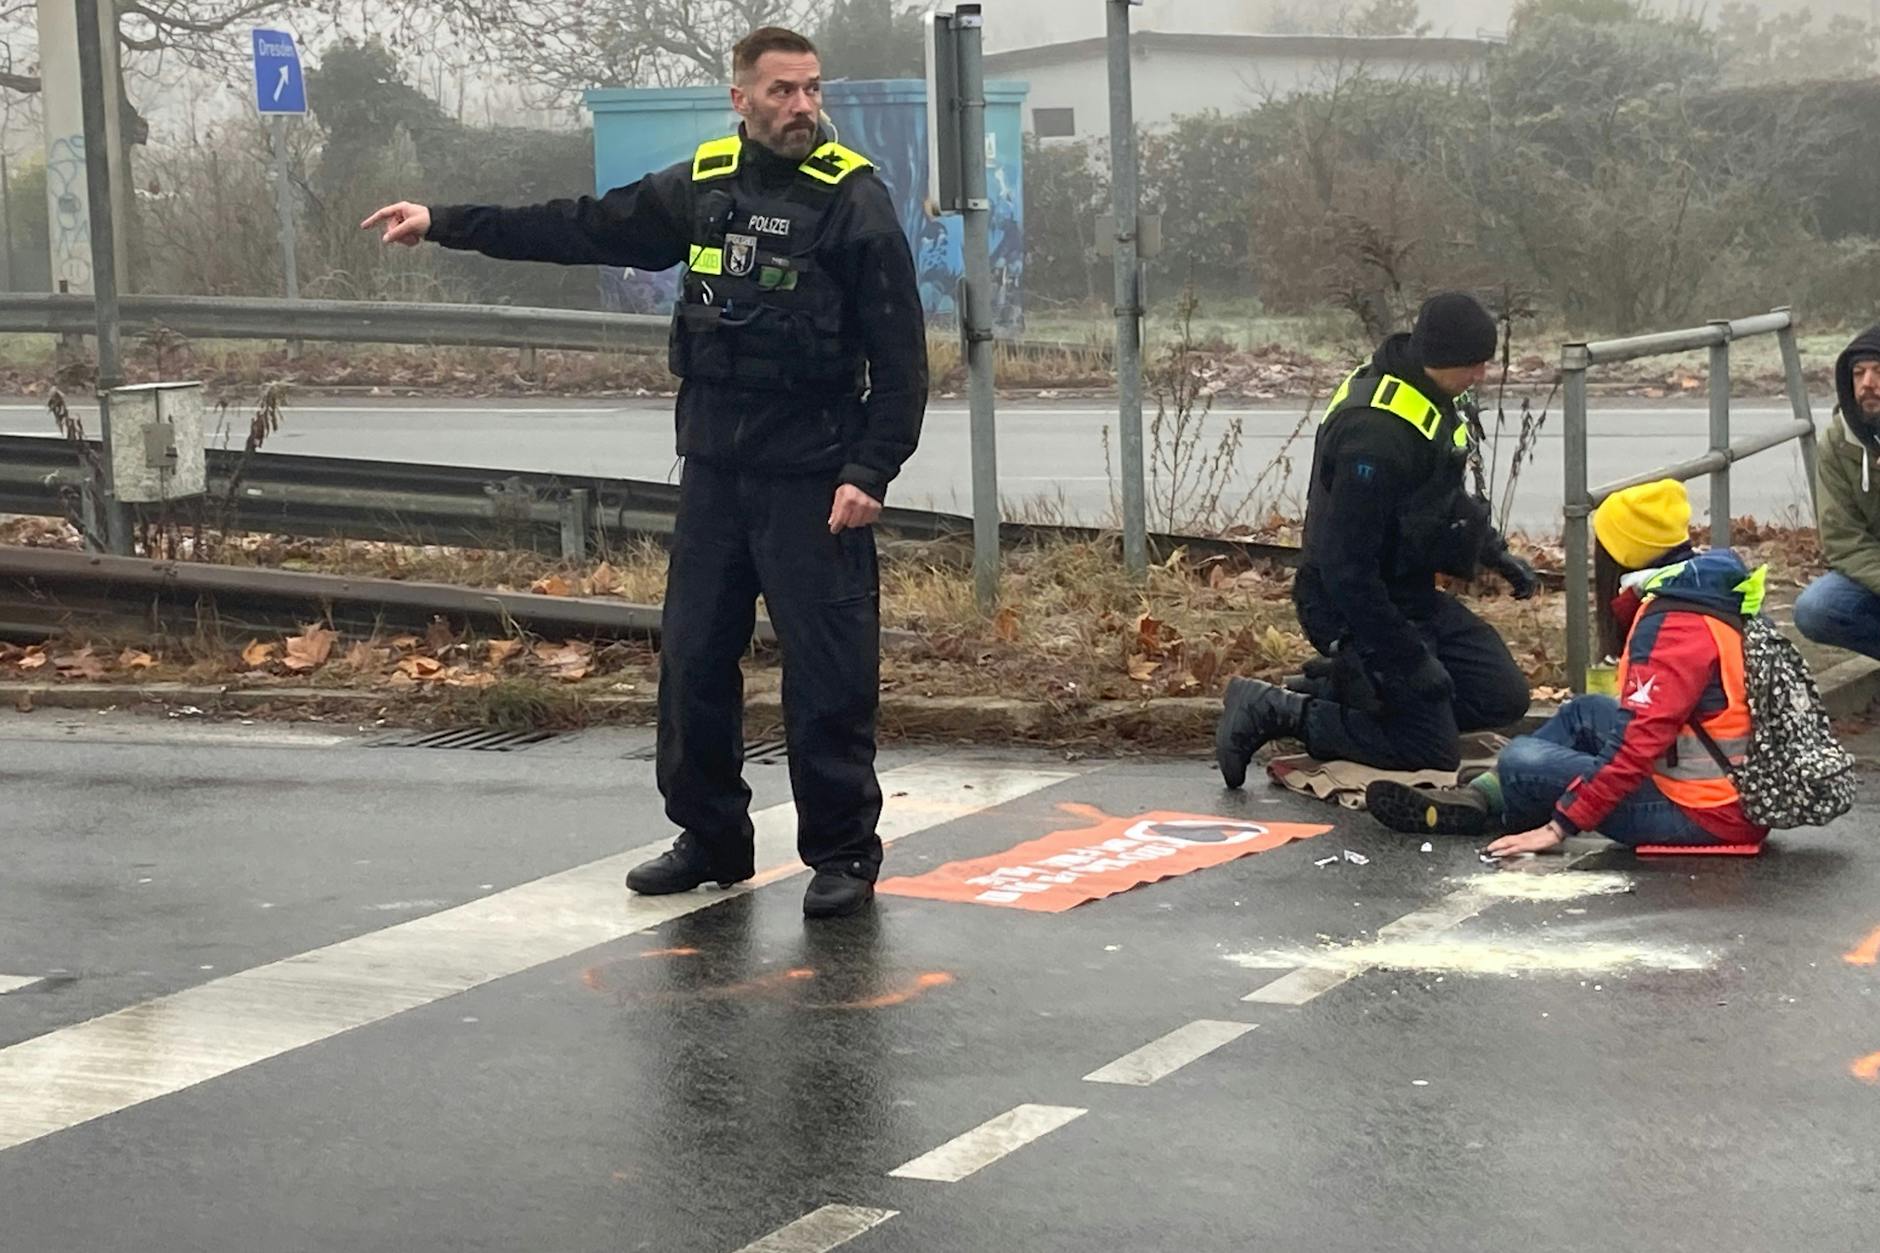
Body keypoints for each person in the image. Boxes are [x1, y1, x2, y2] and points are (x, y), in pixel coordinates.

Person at [362, 27, 927, 919]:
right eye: (781, 92)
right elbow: (580, 226)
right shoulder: (702, 186)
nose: (801, 109)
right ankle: (711, 838)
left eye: (812, 91)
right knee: (694, 664)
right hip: (714, 473)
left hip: (814, 479)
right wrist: (446, 222)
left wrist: (871, 469)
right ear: (740, 100)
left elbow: (902, 357)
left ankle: (843, 854)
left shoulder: (852, 199)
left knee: (828, 673)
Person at [1215, 292, 1536, 787]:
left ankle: (1350, 691)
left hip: (1407, 591)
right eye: (1473, 365)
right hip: (1348, 604)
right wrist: (1408, 658)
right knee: (1428, 750)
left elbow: (1439, 491)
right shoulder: (1377, 437)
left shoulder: (1425, 392)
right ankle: (1280, 710)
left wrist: (1492, 551)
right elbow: (1347, 570)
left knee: (1501, 697)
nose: (1481, 376)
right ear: (1441, 358)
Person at [1366, 479, 1770, 855]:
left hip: (1704, 812)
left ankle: (1496, 806)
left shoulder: (1672, 624)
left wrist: (1561, 826)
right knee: (1584, 711)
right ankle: (1482, 799)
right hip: (1728, 790)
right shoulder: (1712, 588)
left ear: (1622, 553)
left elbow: (1638, 743)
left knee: (1520, 761)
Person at [1794, 324, 1880, 662]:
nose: (1867, 384)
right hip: (1876, 571)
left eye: (1877, 371)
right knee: (1816, 608)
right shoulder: (1838, 441)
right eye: (1858, 374)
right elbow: (1843, 539)